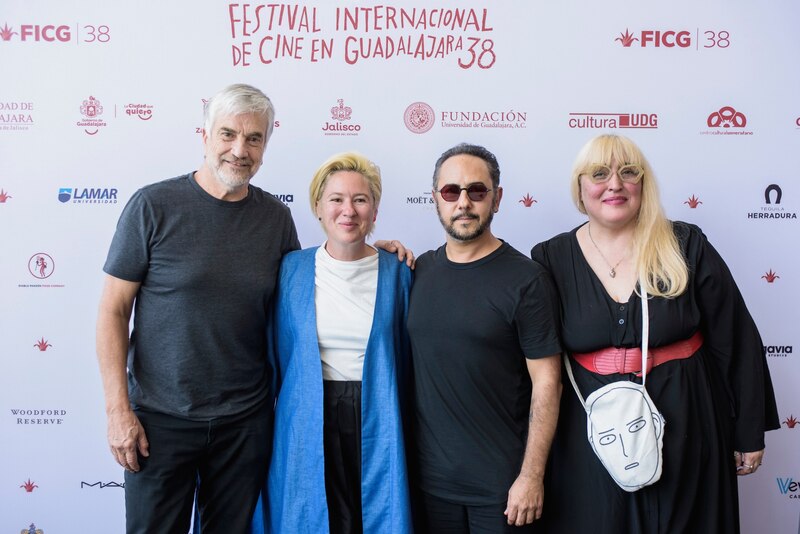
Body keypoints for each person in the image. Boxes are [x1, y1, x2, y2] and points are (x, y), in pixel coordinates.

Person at [96, 84, 412, 533]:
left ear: (266, 145)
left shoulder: (274, 219)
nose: (239, 150)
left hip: (244, 424)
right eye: (227, 134)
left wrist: (375, 251)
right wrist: (117, 411)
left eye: (254, 139)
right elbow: (112, 311)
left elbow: (313, 283)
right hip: (162, 421)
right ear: (204, 136)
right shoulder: (153, 206)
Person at [531, 134, 779, 533]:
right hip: (591, 434)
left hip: (689, 422)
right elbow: (536, 357)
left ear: (643, 184)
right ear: (580, 187)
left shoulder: (685, 243)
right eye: (599, 174)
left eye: (628, 172)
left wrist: (748, 431)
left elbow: (736, 339)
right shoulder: (550, 257)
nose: (614, 184)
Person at [407, 143, 562, 533]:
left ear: (497, 198)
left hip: (502, 488)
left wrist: (531, 477)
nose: (463, 203)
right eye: (451, 192)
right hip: (428, 486)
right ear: (435, 199)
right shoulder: (416, 271)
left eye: (477, 191)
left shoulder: (527, 280)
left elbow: (548, 383)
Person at [261, 152, 413, 534]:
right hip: (307, 414)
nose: (348, 210)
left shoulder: (400, 272)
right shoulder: (290, 269)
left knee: (371, 516)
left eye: (360, 199)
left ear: (374, 210)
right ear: (317, 206)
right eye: (336, 199)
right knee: (312, 514)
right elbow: (273, 354)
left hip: (377, 412)